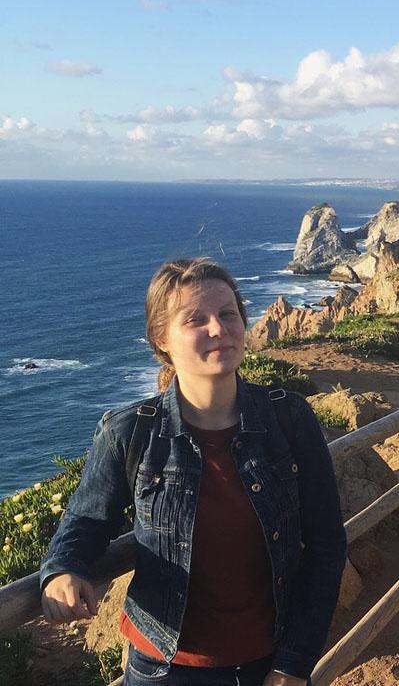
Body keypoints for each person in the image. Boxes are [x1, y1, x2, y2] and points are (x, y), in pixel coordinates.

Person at [40, 259, 346, 686]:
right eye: (196, 320)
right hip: (163, 670)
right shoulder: (129, 431)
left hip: (271, 662)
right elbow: (85, 521)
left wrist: (293, 664)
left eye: (227, 314)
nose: (218, 329)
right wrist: (63, 570)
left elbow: (327, 545)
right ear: (161, 338)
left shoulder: (288, 417)